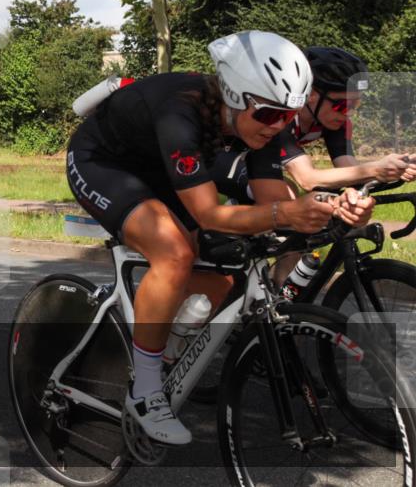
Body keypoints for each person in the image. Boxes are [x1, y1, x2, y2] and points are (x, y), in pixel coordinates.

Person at [65, 31, 375, 445]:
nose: (280, 127)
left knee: (224, 266)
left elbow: (270, 205)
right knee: (174, 253)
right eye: (269, 116)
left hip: (162, 168)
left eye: (289, 116)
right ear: (233, 95)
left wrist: (337, 210)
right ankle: (145, 391)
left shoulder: (267, 118)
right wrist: (289, 212)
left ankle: (166, 341)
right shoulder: (181, 113)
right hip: (104, 162)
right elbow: (212, 213)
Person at [212, 46, 415, 283]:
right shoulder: (286, 115)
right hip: (224, 159)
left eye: (354, 106)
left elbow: (348, 167)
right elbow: (306, 177)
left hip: (259, 164)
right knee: (289, 194)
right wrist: (375, 168)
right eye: (341, 106)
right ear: (312, 96)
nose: (347, 113)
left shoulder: (334, 120)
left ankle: (280, 298)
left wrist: (396, 166)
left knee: (299, 233)